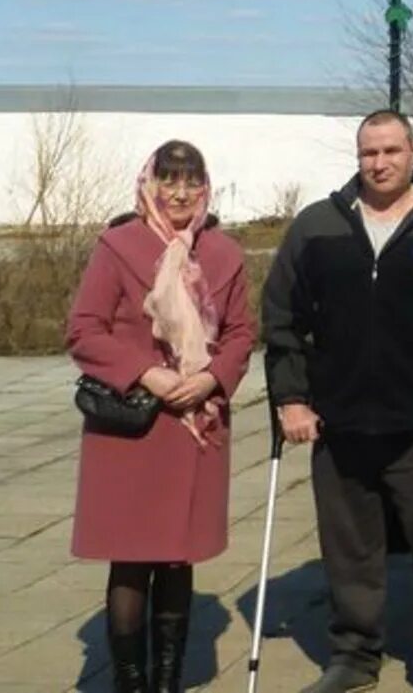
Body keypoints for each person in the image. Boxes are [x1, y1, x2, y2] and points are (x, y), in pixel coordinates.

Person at [262, 111, 413, 693]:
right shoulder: (316, 227)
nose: (379, 163)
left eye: (390, 151)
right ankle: (354, 656)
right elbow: (282, 320)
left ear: (412, 152)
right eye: (368, 153)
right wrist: (291, 399)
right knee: (351, 551)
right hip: (340, 421)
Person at [68, 141, 255, 693]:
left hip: (195, 426)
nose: (179, 192)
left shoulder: (225, 252)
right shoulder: (118, 244)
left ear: (206, 188)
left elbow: (242, 333)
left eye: (190, 181)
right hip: (132, 428)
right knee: (130, 561)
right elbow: (85, 330)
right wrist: (148, 375)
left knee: (178, 559)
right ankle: (129, 681)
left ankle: (169, 681)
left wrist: (212, 377)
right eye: (168, 180)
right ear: (149, 184)